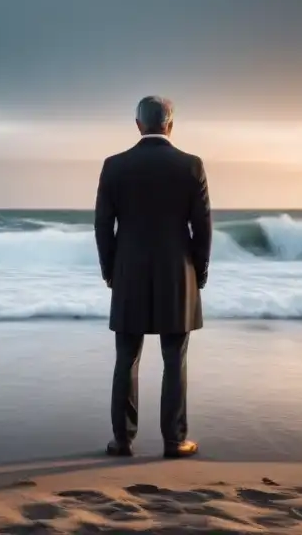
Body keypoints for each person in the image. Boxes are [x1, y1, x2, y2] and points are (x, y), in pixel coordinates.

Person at [94, 95, 212, 459]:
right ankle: (175, 441)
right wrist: (200, 272)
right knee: (174, 358)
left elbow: (102, 226)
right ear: (170, 124)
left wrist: (110, 270)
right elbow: (203, 227)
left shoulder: (114, 166)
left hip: (128, 273)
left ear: (138, 125)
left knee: (126, 358)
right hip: (178, 274)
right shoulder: (191, 166)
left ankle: (122, 440)